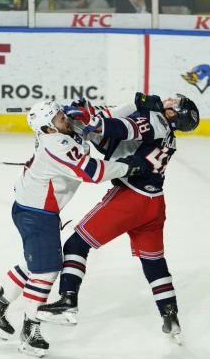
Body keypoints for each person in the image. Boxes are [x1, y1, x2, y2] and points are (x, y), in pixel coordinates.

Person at [0, 100, 147, 358]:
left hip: (35, 209)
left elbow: (103, 117)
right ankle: (30, 331)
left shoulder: (61, 129)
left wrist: (133, 103)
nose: (64, 119)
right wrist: (129, 166)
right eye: (58, 118)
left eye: (61, 114)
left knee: (38, 265)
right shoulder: (57, 144)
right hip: (36, 214)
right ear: (47, 129)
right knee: (48, 270)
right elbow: (92, 172)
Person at [35, 93, 200, 341]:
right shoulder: (169, 137)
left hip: (131, 201)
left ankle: (68, 302)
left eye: (173, 103)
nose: (168, 100)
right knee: (153, 261)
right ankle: (170, 316)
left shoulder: (155, 119)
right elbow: (115, 146)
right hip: (155, 204)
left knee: (76, 244)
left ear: (173, 114)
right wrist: (86, 125)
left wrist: (92, 118)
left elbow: (121, 128)